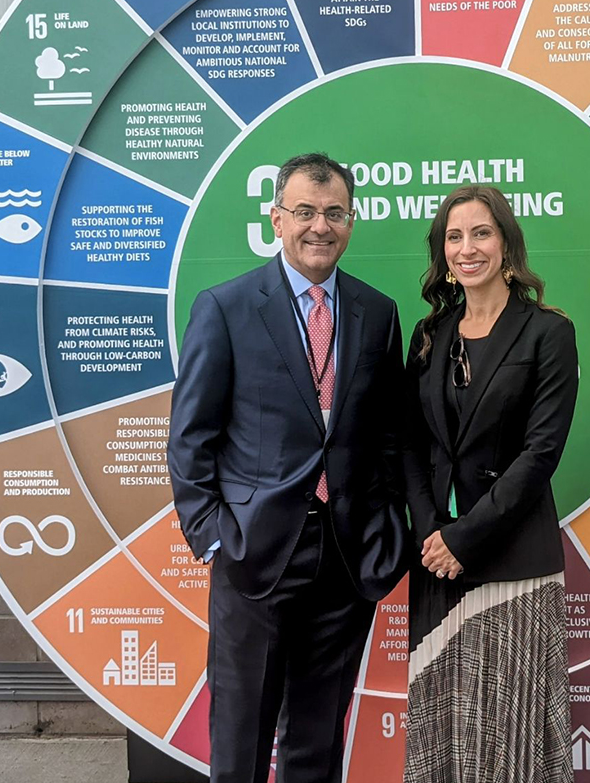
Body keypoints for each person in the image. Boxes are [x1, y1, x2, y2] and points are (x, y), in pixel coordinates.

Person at [167, 152, 408, 783]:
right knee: (241, 741)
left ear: (352, 222)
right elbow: (192, 435)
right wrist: (215, 535)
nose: (319, 227)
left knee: (318, 743)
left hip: (347, 559)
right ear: (277, 218)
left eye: (334, 213)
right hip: (255, 558)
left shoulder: (377, 313)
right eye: (304, 211)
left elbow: (386, 436)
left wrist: (387, 530)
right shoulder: (226, 307)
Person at [402, 185, 579, 783]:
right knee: (445, 735)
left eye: (480, 233)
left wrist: (465, 539)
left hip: (512, 563)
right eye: (454, 236)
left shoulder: (547, 333)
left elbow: (541, 453)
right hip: (437, 565)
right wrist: (432, 533)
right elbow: (412, 446)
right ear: (441, 251)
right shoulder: (430, 335)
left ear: (506, 244)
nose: (466, 247)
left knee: (511, 738)